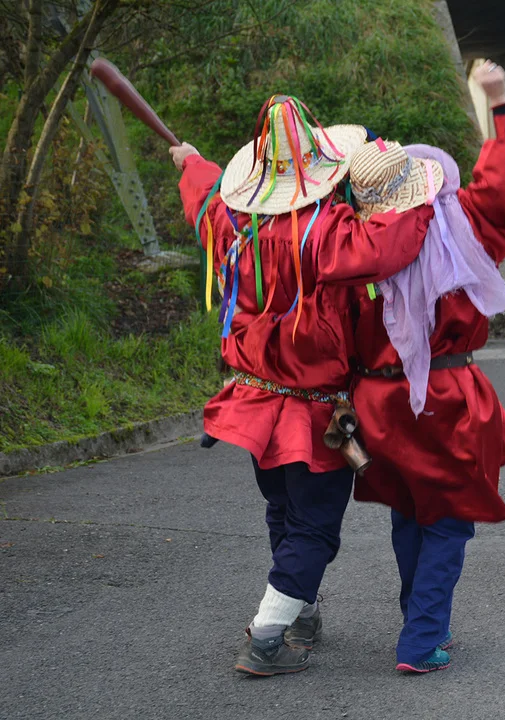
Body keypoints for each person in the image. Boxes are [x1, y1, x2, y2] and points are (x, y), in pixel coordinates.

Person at [173, 95, 429, 676]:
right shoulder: (329, 232)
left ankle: (301, 613)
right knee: (314, 527)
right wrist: (416, 197)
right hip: (313, 409)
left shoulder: (237, 225)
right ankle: (266, 637)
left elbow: (205, 201)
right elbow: (387, 246)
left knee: (284, 511)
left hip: (254, 398)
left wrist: (191, 162)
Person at [345, 61, 505, 673]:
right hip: (445, 397)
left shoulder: (352, 245)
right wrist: (499, 102)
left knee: (409, 510)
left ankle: (420, 617)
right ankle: (421, 638)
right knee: (447, 517)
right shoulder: (463, 233)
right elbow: (501, 188)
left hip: (377, 400)